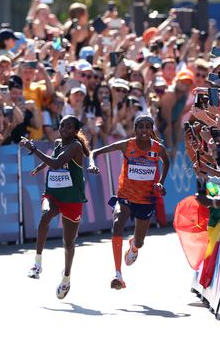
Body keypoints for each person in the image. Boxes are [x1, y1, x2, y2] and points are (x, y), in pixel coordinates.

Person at [88, 114, 169, 289]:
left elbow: (166, 163)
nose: (144, 130)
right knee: (117, 223)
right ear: (135, 129)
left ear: (152, 129)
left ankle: (133, 245)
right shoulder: (127, 145)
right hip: (125, 196)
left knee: (140, 242)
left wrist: (161, 182)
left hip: (146, 199)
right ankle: (118, 274)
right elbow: (95, 152)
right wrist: (92, 164)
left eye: (148, 127)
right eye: (141, 126)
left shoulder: (158, 148)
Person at [21, 115, 90, 300]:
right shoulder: (59, 142)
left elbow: (58, 163)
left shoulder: (75, 146)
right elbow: (53, 158)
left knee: (68, 243)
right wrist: (41, 167)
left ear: (76, 131)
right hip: (54, 192)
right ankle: (37, 263)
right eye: (62, 125)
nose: (64, 128)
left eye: (69, 126)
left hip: (72, 198)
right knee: (45, 215)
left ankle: (66, 277)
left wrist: (33, 149)